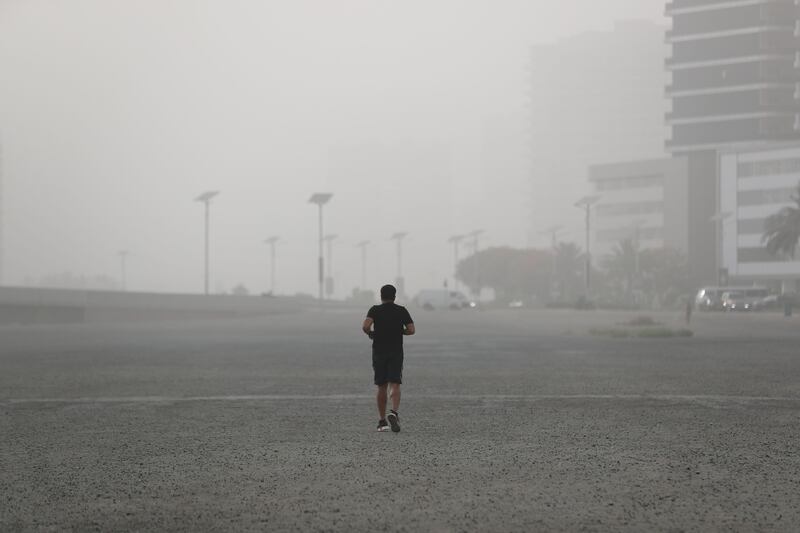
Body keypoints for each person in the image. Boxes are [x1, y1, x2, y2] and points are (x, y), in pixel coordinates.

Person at [362, 284, 415, 432]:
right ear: (394, 296)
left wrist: (372, 333)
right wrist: (400, 331)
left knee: (382, 386)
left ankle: (382, 421)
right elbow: (412, 330)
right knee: (395, 383)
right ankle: (394, 412)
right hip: (396, 350)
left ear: (381, 295)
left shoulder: (375, 310)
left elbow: (365, 326)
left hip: (379, 351)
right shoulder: (401, 310)